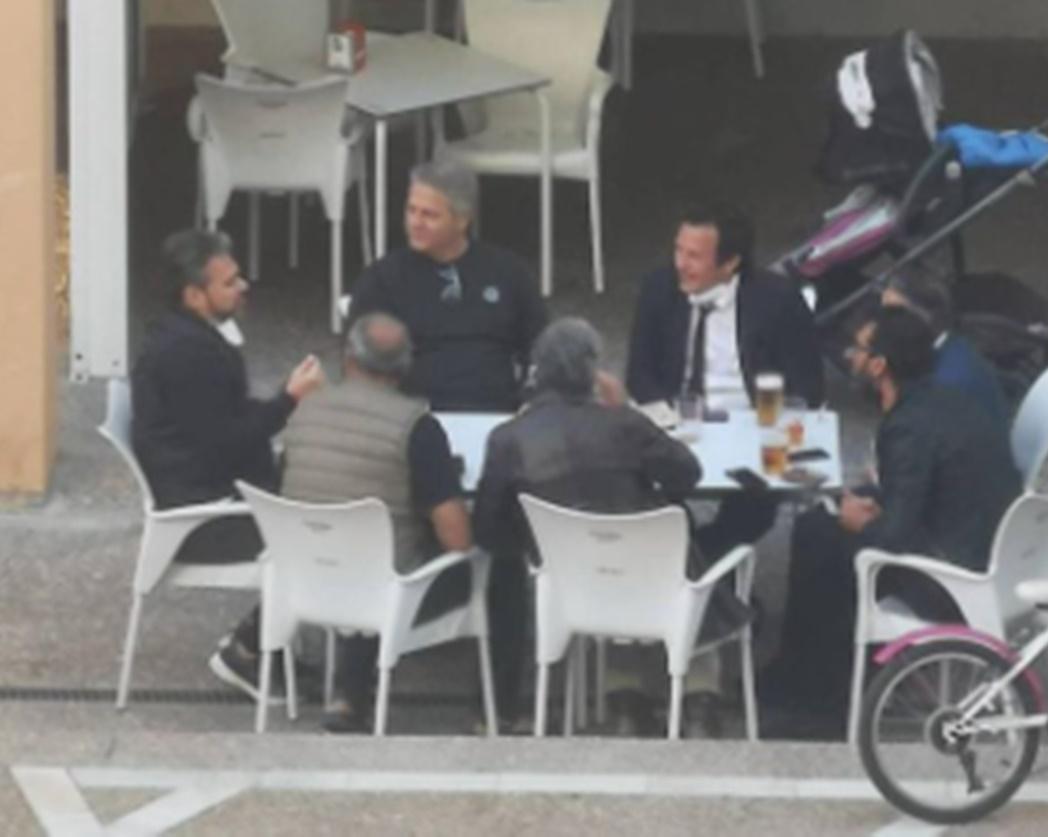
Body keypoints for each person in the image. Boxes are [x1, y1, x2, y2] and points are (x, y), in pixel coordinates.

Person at [475, 318, 748, 736]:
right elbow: (686, 475)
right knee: (675, 556)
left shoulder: (507, 438)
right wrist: (625, 409)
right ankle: (699, 701)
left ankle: (626, 702)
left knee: (615, 570)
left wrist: (538, 547)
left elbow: (489, 530)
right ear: (591, 372)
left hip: (569, 583)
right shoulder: (624, 425)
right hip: (650, 573)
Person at [761, 306, 1021, 716]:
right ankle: (808, 671)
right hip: (980, 546)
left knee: (818, 538)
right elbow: (922, 489)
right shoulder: (949, 401)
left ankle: (813, 691)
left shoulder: (907, 426)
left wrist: (858, 521)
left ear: (880, 366)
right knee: (824, 519)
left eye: (860, 349)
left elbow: (896, 535)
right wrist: (874, 503)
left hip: (948, 578)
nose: (851, 356)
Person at [130, 229, 325, 700]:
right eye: (229, 282)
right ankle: (247, 650)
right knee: (318, 530)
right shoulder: (189, 355)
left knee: (316, 490)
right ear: (195, 295)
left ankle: (272, 646)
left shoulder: (187, 339)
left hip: (213, 483)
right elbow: (226, 440)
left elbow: (224, 426)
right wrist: (288, 401)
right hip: (206, 513)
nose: (243, 287)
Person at [279, 313, 472, 732]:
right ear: (406, 366)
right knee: (482, 563)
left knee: (362, 552)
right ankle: (498, 706)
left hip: (304, 576)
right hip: (382, 590)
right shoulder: (416, 428)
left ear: (348, 357)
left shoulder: (301, 411)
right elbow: (457, 538)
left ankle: (347, 692)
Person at [625, 201, 824, 557]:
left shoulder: (777, 300)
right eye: (678, 250)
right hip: (676, 425)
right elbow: (639, 372)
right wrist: (665, 417)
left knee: (757, 506)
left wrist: (770, 420)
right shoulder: (659, 288)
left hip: (751, 426)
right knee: (638, 490)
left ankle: (698, 560)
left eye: (694, 256)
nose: (680, 264)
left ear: (730, 262)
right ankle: (684, 557)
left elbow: (808, 384)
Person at [347, 158, 548, 412]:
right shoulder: (384, 278)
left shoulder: (507, 272)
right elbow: (358, 360)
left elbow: (541, 347)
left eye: (429, 215)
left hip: (495, 414)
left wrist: (530, 400)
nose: (415, 223)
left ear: (462, 220)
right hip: (412, 419)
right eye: (411, 210)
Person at [880, 272, 1009, 426]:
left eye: (893, 315)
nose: (881, 325)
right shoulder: (954, 347)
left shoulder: (940, 383)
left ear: (922, 318)